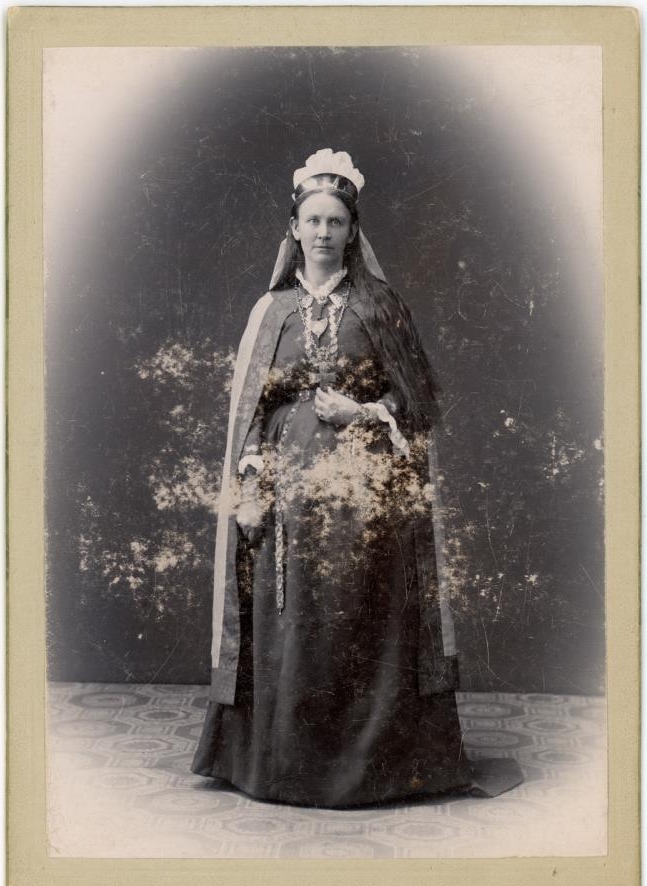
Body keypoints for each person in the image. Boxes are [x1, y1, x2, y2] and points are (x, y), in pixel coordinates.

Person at [191, 149, 522, 807]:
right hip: (288, 502)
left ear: (351, 231)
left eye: (335, 222)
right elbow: (250, 409)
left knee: (361, 623)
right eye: (312, 220)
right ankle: (283, 764)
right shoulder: (271, 311)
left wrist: (363, 411)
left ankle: (371, 769)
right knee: (295, 625)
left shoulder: (379, 305)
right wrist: (251, 476)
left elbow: (416, 399)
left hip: (369, 504)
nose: (322, 232)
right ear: (294, 229)